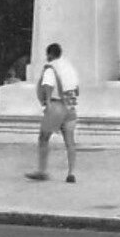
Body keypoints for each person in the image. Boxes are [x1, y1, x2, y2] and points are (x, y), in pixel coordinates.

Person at [26, 42, 80, 183]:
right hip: (70, 105)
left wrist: (48, 102)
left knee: (43, 138)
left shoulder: (50, 68)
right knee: (70, 142)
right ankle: (71, 173)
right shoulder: (69, 67)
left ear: (50, 54)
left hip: (56, 105)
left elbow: (48, 85)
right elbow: (76, 88)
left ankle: (42, 171)